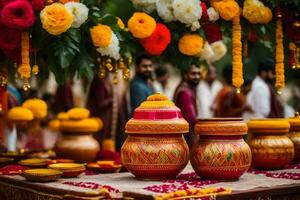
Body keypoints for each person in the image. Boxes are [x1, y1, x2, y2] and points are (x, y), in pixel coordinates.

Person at [173, 64, 200, 147]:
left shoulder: (186, 89)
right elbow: (191, 119)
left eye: (198, 74)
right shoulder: (185, 93)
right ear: (185, 75)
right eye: (193, 74)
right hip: (187, 138)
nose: (197, 76)